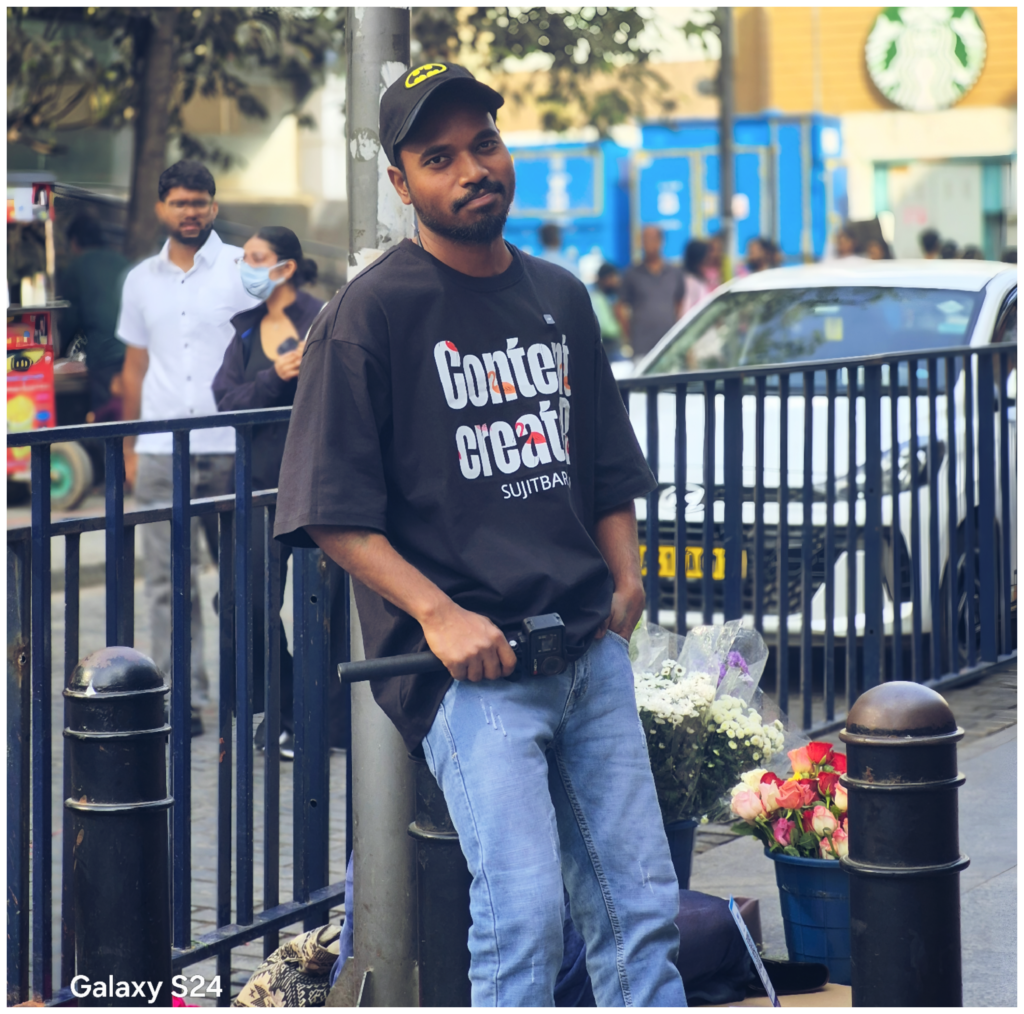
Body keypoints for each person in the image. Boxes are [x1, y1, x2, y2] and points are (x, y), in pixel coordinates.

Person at [273, 62, 686, 1007]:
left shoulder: (560, 295)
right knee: (524, 920)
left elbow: (607, 462)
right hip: (477, 678)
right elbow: (329, 507)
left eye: (485, 145)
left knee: (641, 912)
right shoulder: (370, 315)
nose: (472, 170)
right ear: (402, 183)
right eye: (439, 156)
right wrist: (437, 614)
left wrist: (625, 580)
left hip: (588, 656)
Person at [118, 160, 260, 736]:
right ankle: (181, 701)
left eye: (200, 201)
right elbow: (134, 368)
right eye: (180, 202)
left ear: (214, 207)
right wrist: (128, 446)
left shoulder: (239, 268)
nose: (191, 211)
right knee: (164, 586)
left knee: (240, 586)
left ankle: (244, 700)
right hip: (157, 454)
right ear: (162, 209)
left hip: (229, 449)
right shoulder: (139, 280)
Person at [212, 227, 325, 758]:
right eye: (244, 259)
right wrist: (275, 376)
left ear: (285, 266)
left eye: (256, 259)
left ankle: (312, 720)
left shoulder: (322, 318)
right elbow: (226, 400)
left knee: (318, 610)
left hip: (316, 489)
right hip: (254, 490)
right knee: (245, 605)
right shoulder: (243, 331)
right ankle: (280, 709)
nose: (246, 268)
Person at [59, 212, 131, 414]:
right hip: (137, 354)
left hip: (106, 357)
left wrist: (59, 353)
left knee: (107, 421)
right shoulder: (121, 261)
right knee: (131, 418)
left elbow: (69, 320)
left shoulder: (77, 267)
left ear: (74, 242)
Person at [616, 224, 685, 361]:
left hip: (668, 344)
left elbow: (679, 303)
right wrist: (629, 334)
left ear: (661, 241)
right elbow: (620, 307)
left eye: (652, 239)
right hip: (642, 346)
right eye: (645, 239)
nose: (648, 243)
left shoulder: (674, 273)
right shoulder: (632, 274)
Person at [589, 262, 627, 359]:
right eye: (614, 277)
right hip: (607, 346)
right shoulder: (596, 298)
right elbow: (606, 328)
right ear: (606, 279)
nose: (617, 281)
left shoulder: (609, 296)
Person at [681, 239, 714, 317]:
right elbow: (686, 312)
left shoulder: (701, 279)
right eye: (706, 257)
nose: (709, 260)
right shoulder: (690, 282)